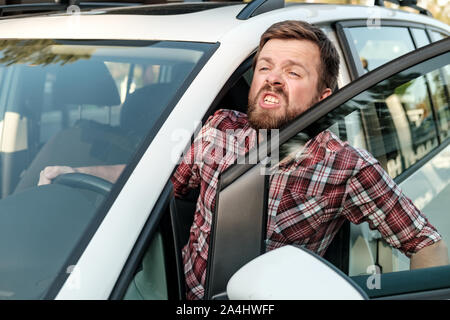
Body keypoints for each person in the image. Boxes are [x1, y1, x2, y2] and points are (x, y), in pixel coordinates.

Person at [39, 20, 449, 300]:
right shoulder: (219, 128)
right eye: (265, 67)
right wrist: (76, 172)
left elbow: (426, 244)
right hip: (177, 293)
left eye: (293, 72)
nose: (271, 77)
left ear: (324, 97)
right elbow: (161, 183)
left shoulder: (347, 166)